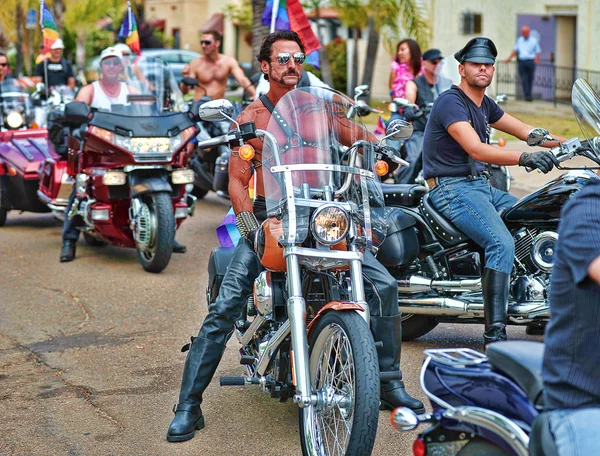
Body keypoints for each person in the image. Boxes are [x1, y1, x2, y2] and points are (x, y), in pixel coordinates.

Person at [166, 29, 424, 443]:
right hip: (274, 216)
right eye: (283, 59)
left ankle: (389, 383)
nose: (292, 66)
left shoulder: (320, 108)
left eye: (298, 58)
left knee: (384, 285)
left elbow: (355, 136)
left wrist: (381, 144)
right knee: (228, 303)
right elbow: (238, 179)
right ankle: (188, 405)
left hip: (324, 212)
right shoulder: (251, 118)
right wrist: (248, 223)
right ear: (265, 66)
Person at [421, 37, 566, 346]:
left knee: (533, 224)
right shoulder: (451, 101)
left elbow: (528, 132)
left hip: (479, 187)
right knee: (501, 243)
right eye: (476, 64)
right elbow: (477, 149)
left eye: (488, 64)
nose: (483, 68)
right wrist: (524, 157)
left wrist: (574, 143)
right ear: (462, 69)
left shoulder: (485, 104)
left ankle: (539, 310)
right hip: (450, 188)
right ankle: (495, 337)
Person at [59, 47, 187, 261]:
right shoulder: (91, 90)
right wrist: (79, 110)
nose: (112, 66)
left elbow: (152, 106)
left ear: (121, 66)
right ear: (101, 66)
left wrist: (165, 105)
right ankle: (69, 240)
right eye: (107, 62)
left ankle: (165, 233)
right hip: (101, 151)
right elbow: (77, 107)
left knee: (166, 173)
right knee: (81, 187)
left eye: (116, 63)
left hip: (128, 147)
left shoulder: (130, 88)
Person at [541, 178, 600, 455]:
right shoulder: (589, 207)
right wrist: (526, 155)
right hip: (586, 400)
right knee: (500, 242)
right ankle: (494, 326)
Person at [395, 48, 443, 184]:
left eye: (441, 63)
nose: (438, 66)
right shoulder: (414, 83)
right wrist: (410, 108)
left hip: (445, 131)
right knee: (414, 158)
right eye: (434, 62)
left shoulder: (448, 84)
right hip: (422, 131)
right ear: (425, 64)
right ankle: (401, 192)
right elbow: (410, 98)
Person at [180, 30, 256, 101]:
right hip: (199, 106)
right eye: (202, 42)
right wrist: (185, 79)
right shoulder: (195, 63)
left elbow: (242, 79)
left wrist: (254, 94)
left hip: (219, 106)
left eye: (207, 42)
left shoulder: (228, 61)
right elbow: (185, 92)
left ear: (217, 43)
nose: (203, 45)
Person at [504, 26, 541, 102]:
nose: (524, 33)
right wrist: (509, 58)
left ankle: (529, 94)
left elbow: (538, 51)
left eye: (525, 32)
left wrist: (536, 60)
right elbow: (515, 50)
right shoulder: (520, 40)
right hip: (522, 62)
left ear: (528, 32)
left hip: (530, 62)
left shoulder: (533, 40)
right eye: (523, 32)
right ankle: (527, 96)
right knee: (524, 79)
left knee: (530, 79)